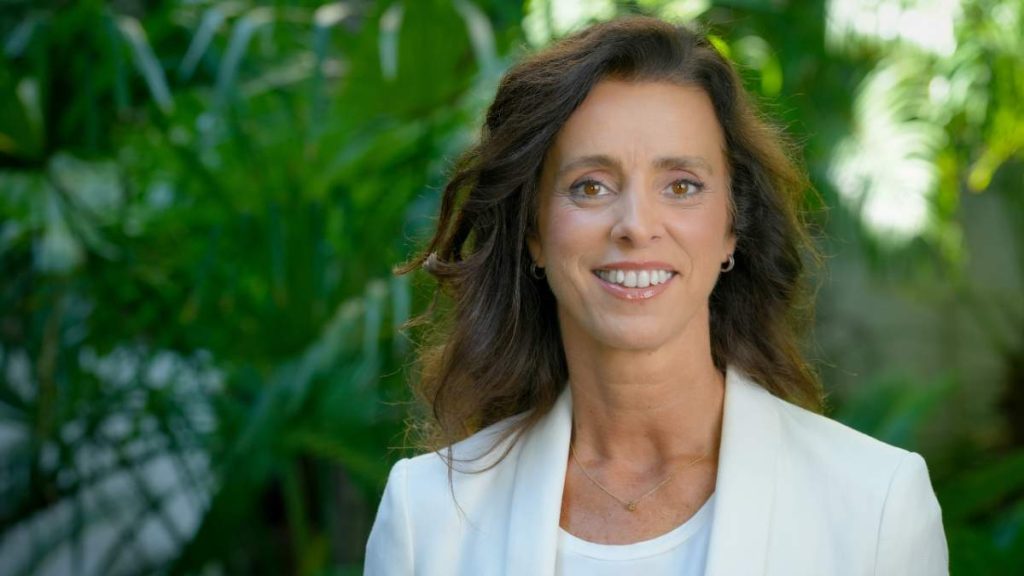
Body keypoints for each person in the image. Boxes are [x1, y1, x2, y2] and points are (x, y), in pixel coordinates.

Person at [364, 15, 948, 576]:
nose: (636, 226)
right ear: (534, 232)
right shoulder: (425, 516)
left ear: (731, 226)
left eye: (682, 186)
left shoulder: (876, 504)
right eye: (591, 186)